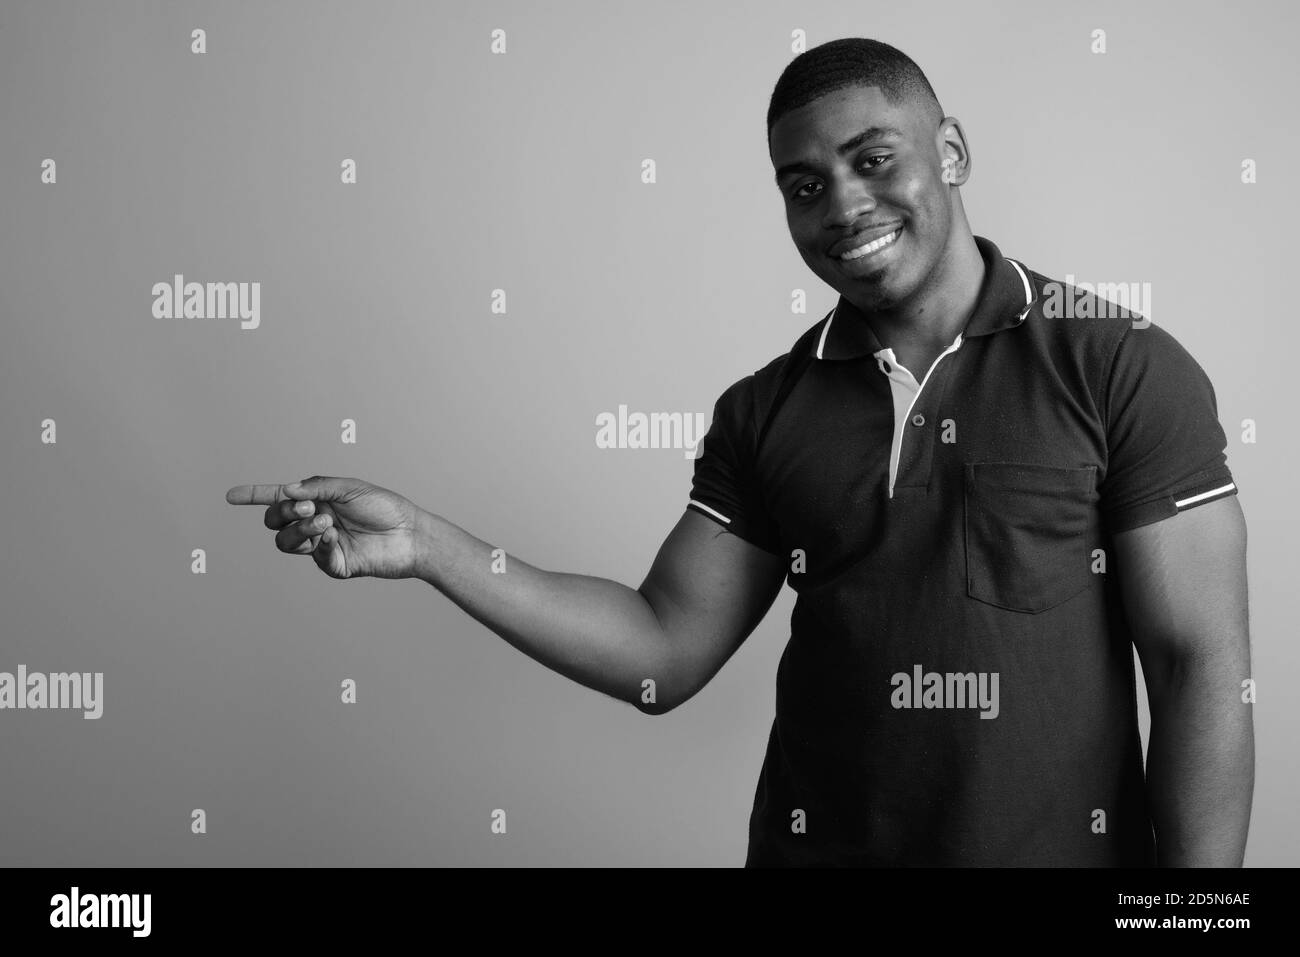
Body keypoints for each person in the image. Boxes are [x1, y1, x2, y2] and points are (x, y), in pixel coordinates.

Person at [226, 38, 1253, 867]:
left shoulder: (1115, 363)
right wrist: (426, 546)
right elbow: (661, 653)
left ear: (950, 151)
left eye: (872, 159)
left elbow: (1196, 659)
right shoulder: (767, 409)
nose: (842, 205)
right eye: (802, 184)